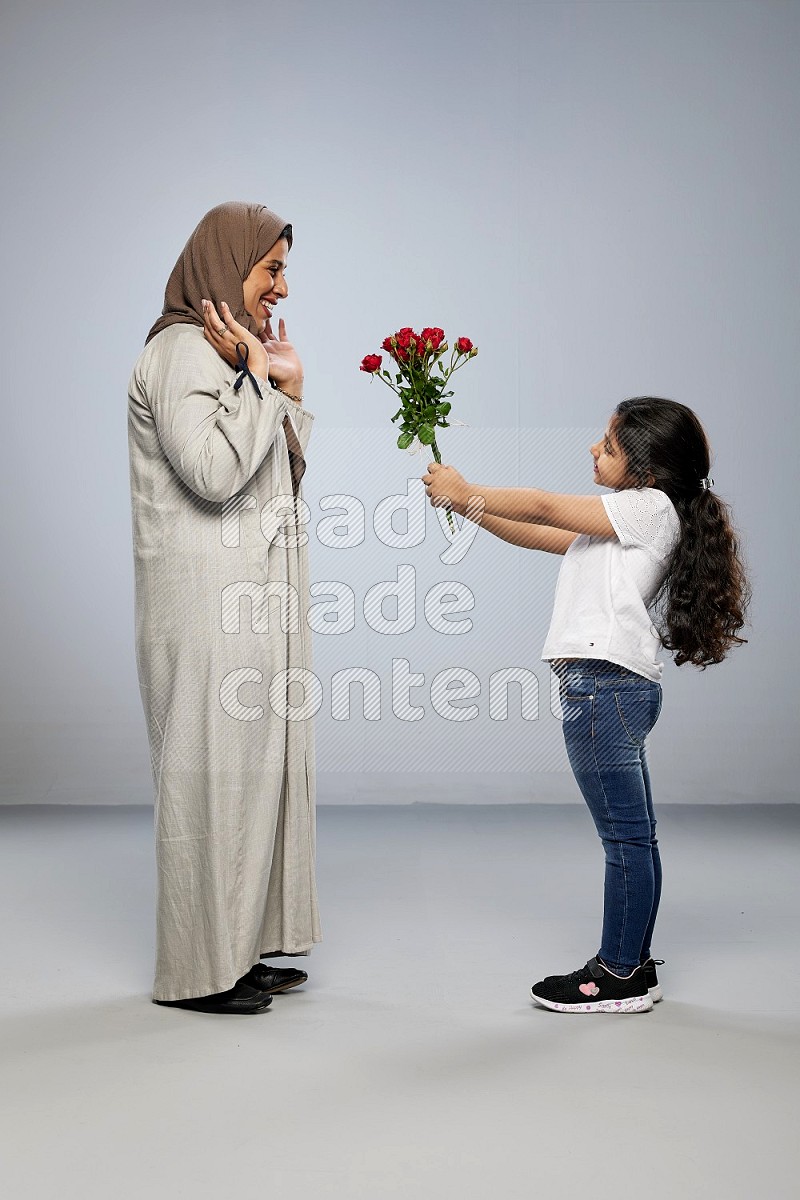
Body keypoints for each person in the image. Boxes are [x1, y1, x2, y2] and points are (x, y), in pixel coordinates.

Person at [422, 397, 751, 1014]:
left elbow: (545, 503)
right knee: (634, 837)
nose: (595, 449)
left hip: (604, 687)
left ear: (647, 471)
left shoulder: (648, 509)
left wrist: (470, 485)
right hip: (611, 687)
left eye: (609, 444)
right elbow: (543, 533)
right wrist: (466, 506)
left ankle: (620, 973)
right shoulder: (625, 519)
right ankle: (631, 965)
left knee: (625, 839)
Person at [127, 201, 320, 1014]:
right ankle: (198, 971)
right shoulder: (180, 355)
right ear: (225, 263)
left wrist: (287, 381)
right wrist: (258, 378)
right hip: (204, 604)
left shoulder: (233, 356)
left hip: (251, 597)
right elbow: (211, 473)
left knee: (259, 772)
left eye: (282, 271)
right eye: (270, 268)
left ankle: (239, 946)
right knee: (210, 777)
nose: (280, 287)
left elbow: (281, 473)